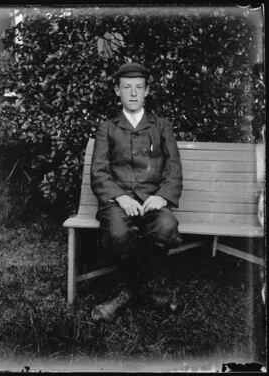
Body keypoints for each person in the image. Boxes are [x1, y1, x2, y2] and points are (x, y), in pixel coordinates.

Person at [90, 62, 183, 321]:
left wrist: (162, 196)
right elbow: (98, 172)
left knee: (166, 226)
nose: (133, 93)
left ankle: (127, 293)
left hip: (152, 200)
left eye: (138, 88)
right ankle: (144, 291)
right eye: (127, 87)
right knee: (118, 233)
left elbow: (174, 168)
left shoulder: (161, 125)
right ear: (117, 91)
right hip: (116, 203)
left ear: (147, 91)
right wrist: (119, 197)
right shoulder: (107, 127)